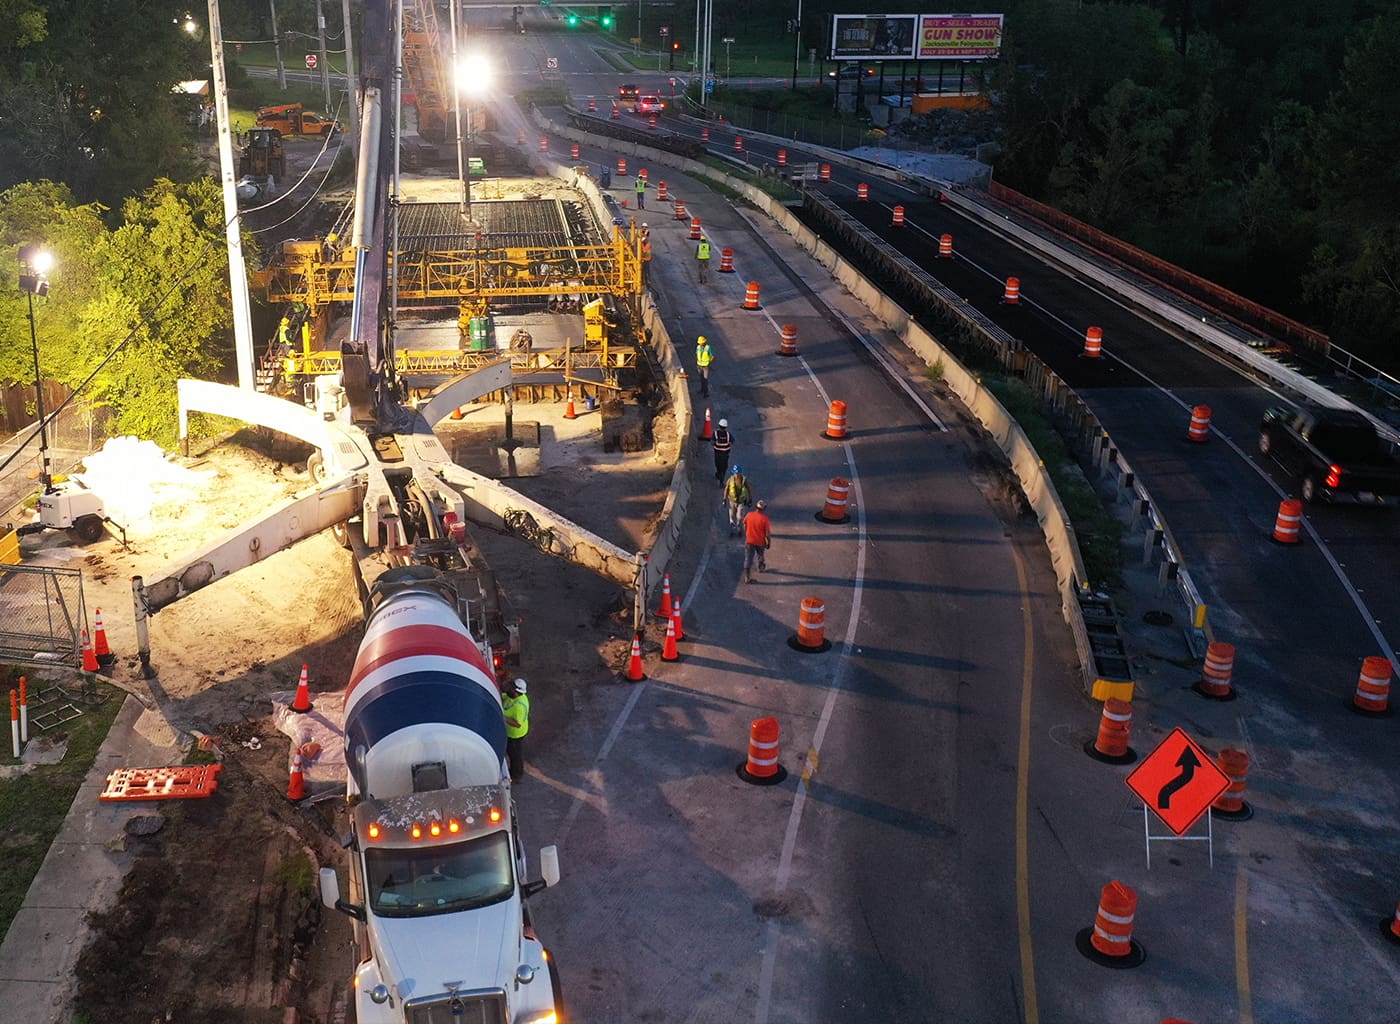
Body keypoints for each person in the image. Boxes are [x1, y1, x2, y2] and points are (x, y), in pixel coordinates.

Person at [503, 678, 530, 783]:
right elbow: (505, 696)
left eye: (511, 688)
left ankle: (516, 776)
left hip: (515, 735)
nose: (509, 689)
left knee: (515, 755)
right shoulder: (513, 697)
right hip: (510, 733)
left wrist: (503, 717)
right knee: (512, 753)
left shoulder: (519, 706)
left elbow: (517, 724)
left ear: (517, 692)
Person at [742, 499, 772, 583]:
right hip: (760, 542)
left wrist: (746, 533)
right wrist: (769, 543)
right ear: (764, 509)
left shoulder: (749, 515)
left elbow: (744, 524)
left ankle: (747, 577)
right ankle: (760, 567)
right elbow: (767, 534)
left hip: (749, 540)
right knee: (760, 555)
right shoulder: (765, 519)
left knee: (748, 559)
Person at [723, 465, 751, 534]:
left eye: (738, 473)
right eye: (735, 473)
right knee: (732, 515)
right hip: (732, 501)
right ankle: (732, 527)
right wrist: (724, 499)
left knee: (739, 516)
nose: (737, 474)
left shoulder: (744, 480)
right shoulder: (730, 480)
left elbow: (749, 489)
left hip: (741, 502)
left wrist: (750, 499)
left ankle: (739, 527)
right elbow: (726, 489)